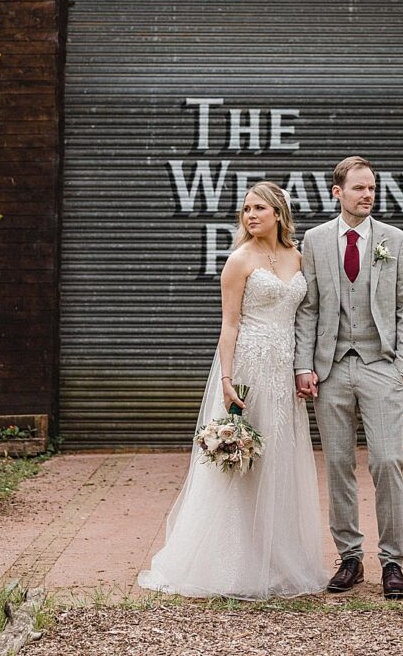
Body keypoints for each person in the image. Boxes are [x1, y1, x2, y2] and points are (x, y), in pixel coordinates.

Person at [138, 181, 329, 599]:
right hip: (248, 367)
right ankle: (231, 562)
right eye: (246, 209)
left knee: (279, 459)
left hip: (284, 372)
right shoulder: (238, 261)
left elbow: (303, 319)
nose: (250, 215)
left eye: (259, 208)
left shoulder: (298, 258)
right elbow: (230, 324)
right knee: (242, 463)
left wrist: (304, 367)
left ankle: (278, 558)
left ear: (278, 214)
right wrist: (226, 379)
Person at [294, 155, 403, 600]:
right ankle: (350, 557)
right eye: (359, 188)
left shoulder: (396, 241)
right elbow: (307, 308)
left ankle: (392, 562)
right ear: (338, 193)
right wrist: (303, 364)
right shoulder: (314, 240)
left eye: (371, 188)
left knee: (388, 461)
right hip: (330, 369)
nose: (367, 195)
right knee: (338, 463)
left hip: (380, 366)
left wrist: (401, 366)